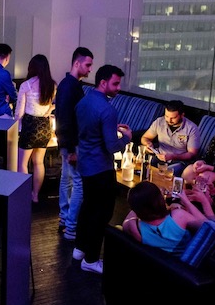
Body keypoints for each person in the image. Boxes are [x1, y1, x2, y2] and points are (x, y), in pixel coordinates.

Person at [73, 64, 132, 274]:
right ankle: (90, 260)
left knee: (87, 208)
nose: (118, 88)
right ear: (103, 82)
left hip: (85, 164)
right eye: (115, 83)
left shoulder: (84, 101)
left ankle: (79, 250)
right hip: (101, 168)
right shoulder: (108, 109)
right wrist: (126, 137)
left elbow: (88, 131)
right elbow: (111, 146)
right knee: (102, 214)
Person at [56, 47, 93, 240]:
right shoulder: (71, 86)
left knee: (66, 178)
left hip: (66, 140)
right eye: (87, 64)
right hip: (72, 142)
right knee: (78, 181)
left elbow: (62, 118)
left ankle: (65, 219)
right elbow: (65, 118)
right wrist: (71, 148)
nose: (89, 69)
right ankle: (71, 226)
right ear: (76, 63)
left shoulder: (67, 85)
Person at [121, 182, 203, 256]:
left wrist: (139, 205)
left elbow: (127, 221)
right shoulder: (179, 216)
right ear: (160, 199)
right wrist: (187, 202)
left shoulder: (134, 228)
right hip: (184, 266)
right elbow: (211, 227)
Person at [16, 54, 56, 204]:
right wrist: (46, 112)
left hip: (30, 127)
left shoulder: (26, 85)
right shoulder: (52, 85)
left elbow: (19, 112)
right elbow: (51, 107)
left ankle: (24, 195)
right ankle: (35, 195)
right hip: (44, 127)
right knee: (39, 162)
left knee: (22, 163)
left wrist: (16, 125)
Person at [140, 100, 200, 176]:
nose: (169, 120)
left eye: (173, 118)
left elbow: (192, 154)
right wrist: (148, 144)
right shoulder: (159, 122)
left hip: (179, 161)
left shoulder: (192, 128)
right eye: (167, 116)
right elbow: (145, 138)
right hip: (159, 157)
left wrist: (172, 156)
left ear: (182, 115)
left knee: (166, 173)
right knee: (142, 167)